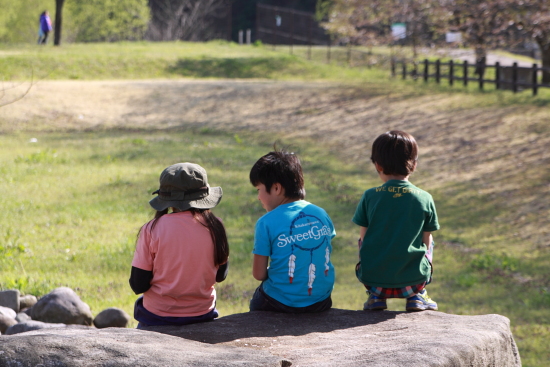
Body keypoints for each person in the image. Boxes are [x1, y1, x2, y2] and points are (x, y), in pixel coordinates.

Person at [129, 163, 229, 327]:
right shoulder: (216, 226)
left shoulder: (151, 229)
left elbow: (138, 284)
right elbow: (221, 275)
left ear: (166, 198)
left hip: (157, 316)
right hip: (203, 313)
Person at [353, 130, 440, 312]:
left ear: (378, 165)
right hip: (414, 281)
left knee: (364, 242)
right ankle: (418, 296)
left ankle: (375, 297)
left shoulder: (370, 196)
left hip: (373, 281)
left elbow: (364, 238)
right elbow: (426, 238)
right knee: (429, 242)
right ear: (414, 165)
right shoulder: (424, 198)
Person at [249, 149, 335, 313]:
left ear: (276, 188)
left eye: (258, 190)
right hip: (321, 300)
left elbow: (259, 274)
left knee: (258, 301)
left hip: (279, 303)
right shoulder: (321, 214)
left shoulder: (266, 223)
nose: (258, 197)